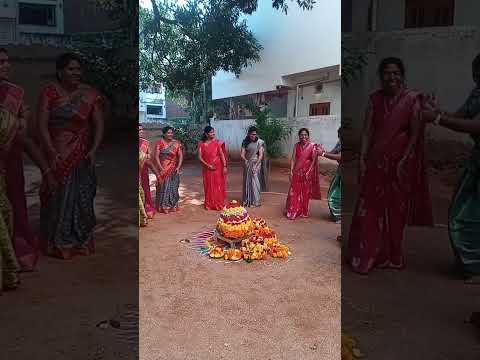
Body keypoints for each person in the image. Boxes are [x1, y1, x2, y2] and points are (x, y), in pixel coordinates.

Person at [348, 57, 433, 274]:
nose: (391, 77)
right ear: (381, 76)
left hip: (399, 165)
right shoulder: (374, 99)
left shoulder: (411, 99)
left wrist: (405, 159)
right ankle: (367, 254)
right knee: (370, 209)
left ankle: (393, 255)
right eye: (387, 73)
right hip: (376, 162)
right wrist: (362, 158)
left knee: (396, 210)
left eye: (396, 73)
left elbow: (414, 134)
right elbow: (367, 131)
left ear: (402, 75)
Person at [37, 52, 104, 260]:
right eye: (71, 69)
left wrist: (93, 149)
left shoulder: (90, 94)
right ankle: (56, 241)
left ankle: (80, 239)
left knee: (81, 197)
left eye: (78, 69)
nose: (76, 73)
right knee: (55, 195)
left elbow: (99, 124)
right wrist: (50, 150)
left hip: (81, 152)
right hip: (56, 151)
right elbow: (41, 125)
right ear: (60, 72)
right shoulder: (49, 92)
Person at [422, 53, 480, 283]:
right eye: (476, 71)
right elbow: (458, 117)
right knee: (461, 211)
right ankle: (471, 262)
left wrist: (436, 118)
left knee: (470, 215)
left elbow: (475, 125)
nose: (477, 76)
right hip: (476, 160)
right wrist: (437, 110)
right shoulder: (476, 93)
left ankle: (476, 267)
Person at [0, 48, 54, 291]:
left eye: (7, 61)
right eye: (0, 62)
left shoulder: (15, 94)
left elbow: (24, 137)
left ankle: (14, 256)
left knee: (14, 209)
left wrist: (45, 168)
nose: (5, 66)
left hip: (9, 162)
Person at [285, 128, 323, 220]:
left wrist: (309, 171)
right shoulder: (296, 146)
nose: (303, 136)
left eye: (305, 134)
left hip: (307, 173)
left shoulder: (312, 146)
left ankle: (303, 211)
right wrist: (291, 171)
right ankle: (293, 211)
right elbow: (293, 159)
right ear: (299, 136)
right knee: (294, 192)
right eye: (301, 135)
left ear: (308, 136)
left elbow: (313, 160)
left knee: (305, 193)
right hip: (297, 172)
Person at [198, 126, 227, 210]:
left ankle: (218, 204)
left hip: (218, 167)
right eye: (211, 132)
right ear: (206, 134)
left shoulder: (218, 143)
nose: (213, 133)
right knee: (208, 185)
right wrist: (208, 165)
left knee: (218, 185)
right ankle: (209, 204)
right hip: (207, 168)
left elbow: (221, 155)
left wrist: (224, 166)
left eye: (213, 132)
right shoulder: (202, 144)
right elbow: (200, 157)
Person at [155, 126, 183, 213]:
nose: (170, 134)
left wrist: (178, 167)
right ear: (164, 134)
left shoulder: (177, 143)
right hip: (162, 167)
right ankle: (163, 206)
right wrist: (160, 168)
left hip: (173, 168)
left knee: (173, 187)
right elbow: (156, 156)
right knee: (163, 186)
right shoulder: (159, 142)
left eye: (171, 132)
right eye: (168, 133)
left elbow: (180, 156)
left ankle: (172, 205)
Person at [240, 126, 267, 207]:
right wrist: (245, 160)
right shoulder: (245, 142)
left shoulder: (259, 142)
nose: (253, 136)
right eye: (252, 134)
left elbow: (261, 155)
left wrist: (256, 166)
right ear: (248, 134)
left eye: (255, 134)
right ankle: (247, 200)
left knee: (255, 182)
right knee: (248, 182)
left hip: (257, 163)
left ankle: (256, 201)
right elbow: (242, 154)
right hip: (248, 164)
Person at [321, 133, 342, 223]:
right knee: (333, 192)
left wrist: (322, 153)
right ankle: (337, 215)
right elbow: (332, 152)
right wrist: (322, 151)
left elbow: (340, 157)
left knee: (337, 195)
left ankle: (340, 216)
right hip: (340, 170)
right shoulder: (340, 142)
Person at [139, 124, 156, 219]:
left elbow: (149, 157)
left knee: (145, 189)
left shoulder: (146, 143)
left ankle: (147, 207)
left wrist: (146, 156)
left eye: (141, 130)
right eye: (138, 130)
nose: (140, 131)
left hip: (143, 171)